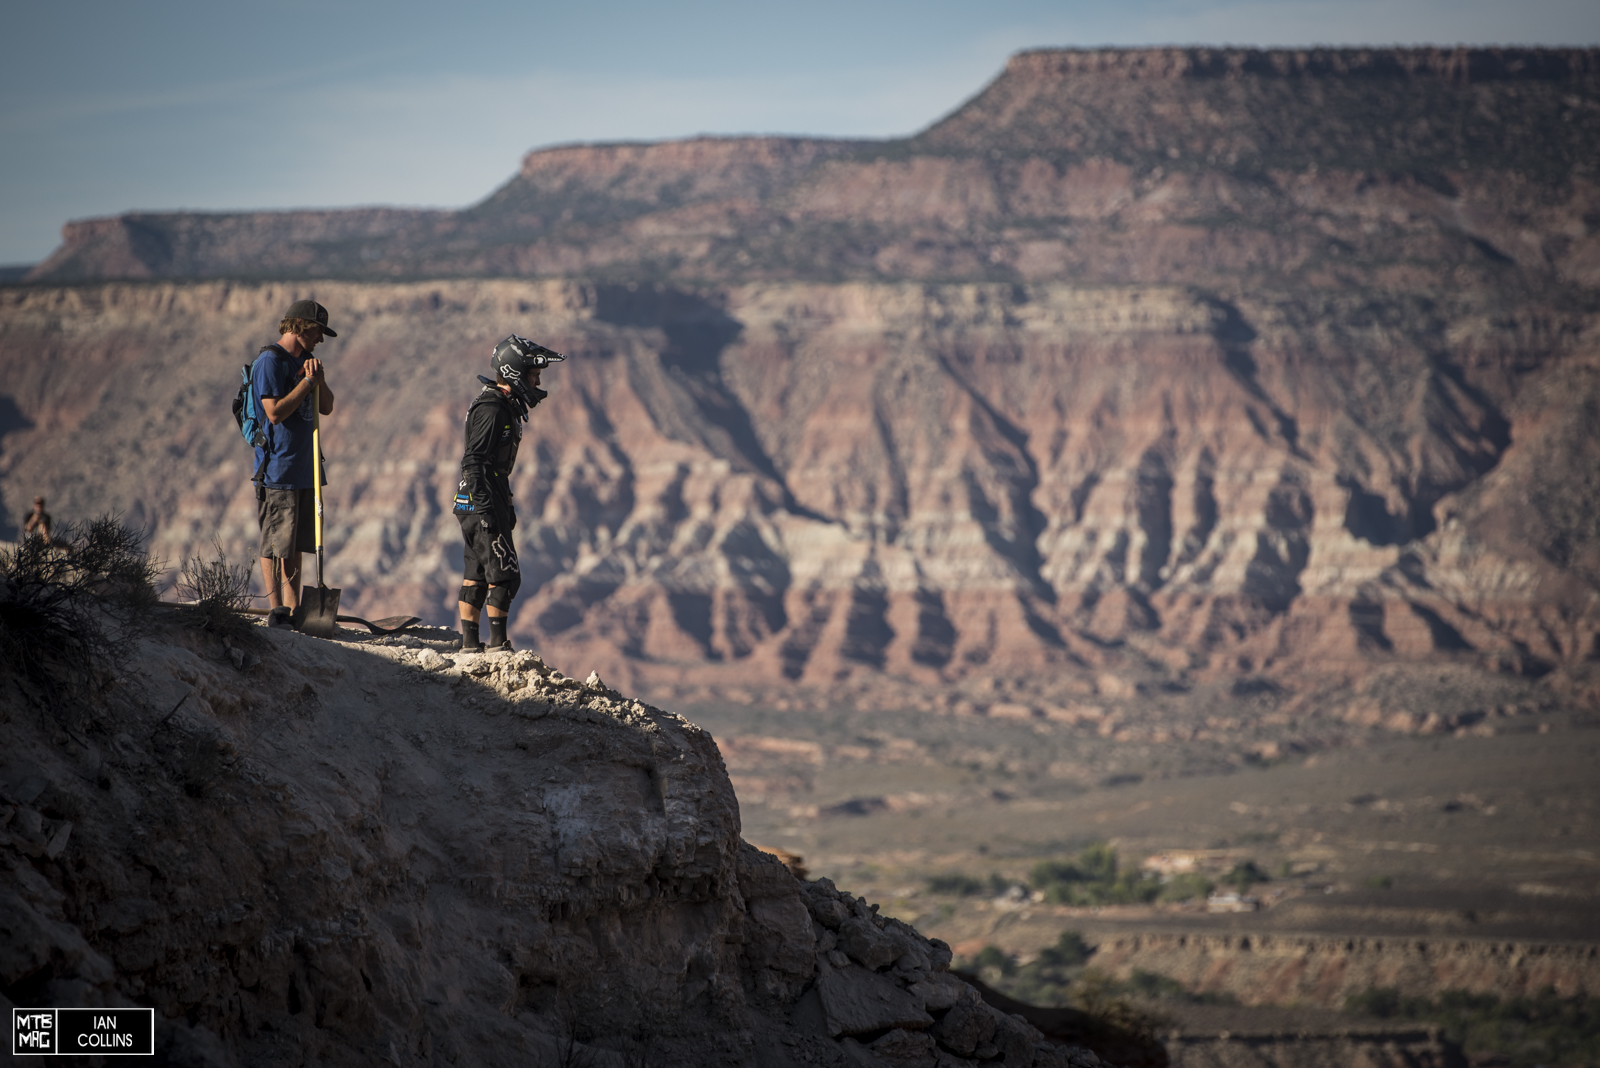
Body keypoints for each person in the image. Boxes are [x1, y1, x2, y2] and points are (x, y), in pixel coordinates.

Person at [453, 335, 563, 652]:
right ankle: (499, 646)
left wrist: (506, 503)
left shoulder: (499, 405)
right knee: (504, 576)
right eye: (534, 374)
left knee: (475, 574)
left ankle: (470, 646)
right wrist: (488, 509)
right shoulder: (493, 409)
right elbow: (473, 461)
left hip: (475, 500)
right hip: (482, 500)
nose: (538, 381)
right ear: (515, 372)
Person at [251, 300, 338, 628]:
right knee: (276, 541)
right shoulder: (270, 362)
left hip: (307, 467)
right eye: (317, 331)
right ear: (301, 326)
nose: (320, 339)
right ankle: (278, 612)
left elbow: (326, 407)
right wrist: (305, 385)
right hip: (279, 468)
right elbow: (274, 413)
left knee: (298, 543)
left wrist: (319, 380)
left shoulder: (308, 363)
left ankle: (295, 610)